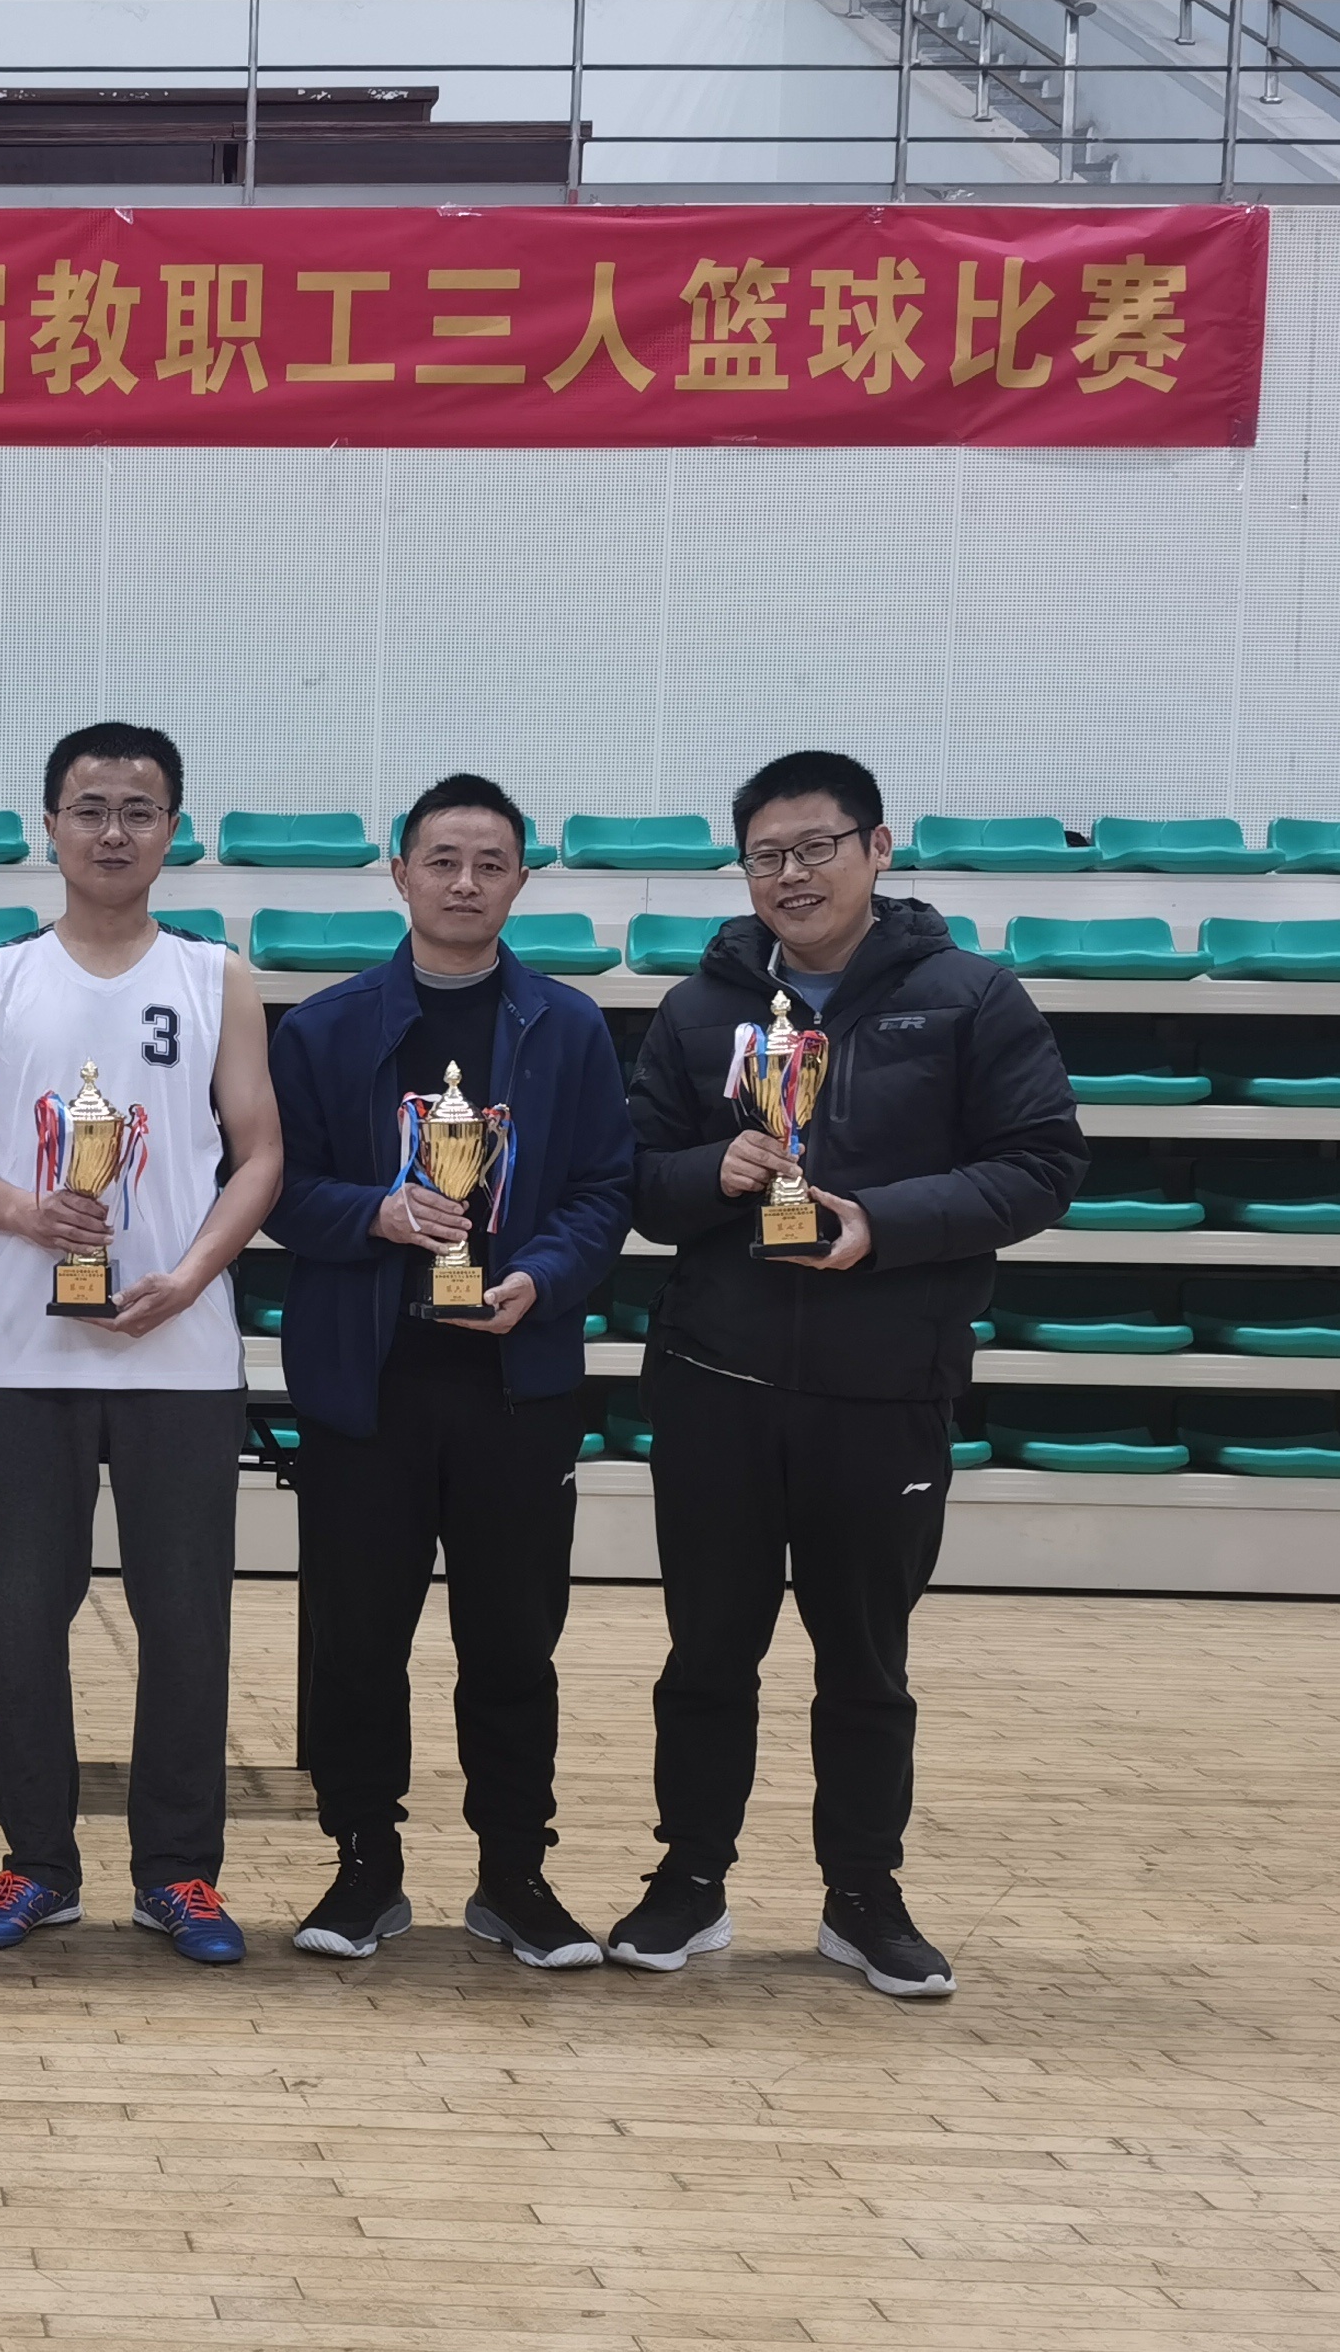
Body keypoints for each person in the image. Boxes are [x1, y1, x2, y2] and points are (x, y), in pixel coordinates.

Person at [616, 749, 1085, 1997]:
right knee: (705, 1656)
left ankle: (863, 1895)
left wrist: (885, 1220)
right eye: (766, 855)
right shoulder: (697, 1009)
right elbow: (636, 1181)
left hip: (887, 1389)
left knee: (867, 1665)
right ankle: (689, 1879)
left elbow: (1043, 1163)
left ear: (878, 848)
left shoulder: (971, 996)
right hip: (715, 1381)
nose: (792, 874)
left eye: (816, 846)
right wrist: (706, 1173)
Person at [0, 723, 282, 1964]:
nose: (113, 830)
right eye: (90, 808)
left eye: (138, 809)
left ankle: (179, 1871)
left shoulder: (218, 976)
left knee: (186, 1623)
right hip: (27, 1353)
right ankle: (37, 1862)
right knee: (23, 1620)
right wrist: (22, 1211)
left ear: (173, 829)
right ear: (51, 825)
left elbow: (261, 1151)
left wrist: (193, 1274)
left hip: (181, 1350)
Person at [262, 775, 635, 1972]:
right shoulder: (323, 1027)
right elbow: (273, 1188)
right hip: (366, 1382)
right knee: (358, 1641)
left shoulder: (568, 1027)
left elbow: (605, 1189)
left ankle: (514, 1874)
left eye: (489, 863)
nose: (465, 882)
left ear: (520, 879)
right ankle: (363, 1864)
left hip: (515, 1380)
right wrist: (373, 1213)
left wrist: (545, 1276)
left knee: (514, 1644)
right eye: (442, 860)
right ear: (401, 872)